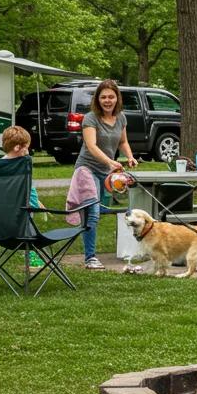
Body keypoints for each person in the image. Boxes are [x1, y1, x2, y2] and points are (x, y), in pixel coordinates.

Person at [73, 80, 137, 270]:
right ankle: (90, 257)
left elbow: (123, 142)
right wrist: (110, 162)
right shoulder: (90, 118)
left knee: (125, 208)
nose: (107, 101)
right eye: (103, 97)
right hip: (87, 169)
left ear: (117, 98)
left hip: (108, 172)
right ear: (97, 99)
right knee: (92, 212)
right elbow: (91, 146)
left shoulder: (121, 117)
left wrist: (130, 157)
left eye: (111, 96)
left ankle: (132, 250)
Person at [1, 125, 45, 269]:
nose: (28, 151)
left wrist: (36, 200)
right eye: (26, 147)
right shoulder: (21, 166)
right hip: (21, 214)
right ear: (17, 147)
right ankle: (32, 255)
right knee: (29, 227)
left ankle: (32, 253)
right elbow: (28, 189)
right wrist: (35, 203)